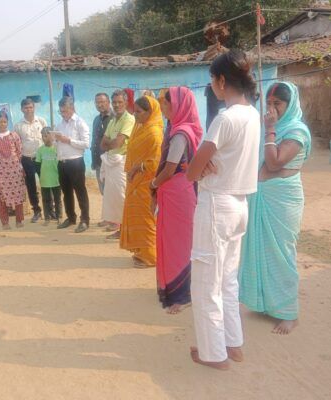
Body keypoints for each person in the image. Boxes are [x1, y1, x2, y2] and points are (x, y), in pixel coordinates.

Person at [186, 49, 261, 370]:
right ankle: (232, 344)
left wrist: (200, 168)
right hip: (239, 204)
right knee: (227, 281)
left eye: (212, 81)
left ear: (220, 81)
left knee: (206, 284)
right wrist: (204, 166)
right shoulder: (252, 114)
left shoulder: (225, 118)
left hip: (217, 205)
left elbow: (192, 171)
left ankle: (214, 353)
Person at [239, 82, 311, 335]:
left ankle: (289, 313)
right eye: (268, 104)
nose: (271, 109)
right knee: (261, 251)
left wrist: (269, 129)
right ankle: (267, 304)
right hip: (261, 197)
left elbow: (273, 162)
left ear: (289, 105)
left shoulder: (296, 131)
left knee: (282, 254)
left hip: (282, 200)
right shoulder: (271, 129)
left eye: (277, 104)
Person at [151, 87, 202, 313]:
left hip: (178, 194)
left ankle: (183, 294)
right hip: (178, 191)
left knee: (179, 245)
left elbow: (170, 169)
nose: (163, 107)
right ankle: (176, 289)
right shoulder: (177, 129)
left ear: (178, 106)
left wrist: (153, 184)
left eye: (166, 103)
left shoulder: (181, 133)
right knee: (174, 242)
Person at [120, 96, 163, 267]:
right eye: (135, 111)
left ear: (150, 112)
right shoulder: (140, 129)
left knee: (147, 219)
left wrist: (138, 167)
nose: (135, 115)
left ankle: (151, 256)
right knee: (137, 217)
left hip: (146, 183)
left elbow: (157, 161)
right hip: (135, 180)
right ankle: (140, 251)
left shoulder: (154, 133)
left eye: (139, 112)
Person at [100, 90, 136, 239]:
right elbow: (102, 144)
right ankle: (120, 228)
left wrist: (111, 143)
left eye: (120, 102)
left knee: (122, 197)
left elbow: (118, 143)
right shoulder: (113, 120)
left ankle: (126, 230)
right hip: (112, 162)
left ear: (126, 103)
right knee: (113, 198)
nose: (117, 105)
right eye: (114, 102)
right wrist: (111, 143)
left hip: (122, 162)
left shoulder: (129, 119)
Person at [53, 96, 90, 233]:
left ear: (72, 108)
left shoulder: (80, 123)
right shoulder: (59, 125)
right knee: (66, 192)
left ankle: (85, 220)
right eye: (61, 111)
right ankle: (71, 217)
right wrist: (54, 139)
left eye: (65, 111)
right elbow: (57, 143)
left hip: (76, 162)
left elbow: (86, 144)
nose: (63, 114)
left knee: (80, 192)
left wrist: (68, 140)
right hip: (62, 162)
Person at [0, 111, 26, 230]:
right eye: (0, 122)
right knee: (0, 196)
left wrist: (15, 164)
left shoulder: (14, 135)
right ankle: (5, 222)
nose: (2, 124)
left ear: (7, 122)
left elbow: (19, 151)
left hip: (15, 171)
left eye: (4, 122)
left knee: (18, 194)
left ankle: (19, 220)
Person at [14, 98, 47, 223]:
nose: (28, 110)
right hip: (27, 160)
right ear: (21, 109)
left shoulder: (42, 121)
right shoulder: (18, 126)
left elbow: (48, 138)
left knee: (46, 183)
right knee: (31, 186)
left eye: (30, 107)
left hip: (42, 159)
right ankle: (36, 211)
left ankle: (49, 210)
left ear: (34, 108)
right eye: (26, 108)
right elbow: (16, 145)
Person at [36, 127, 62, 226]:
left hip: (56, 179)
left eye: (46, 135)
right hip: (45, 180)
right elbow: (38, 165)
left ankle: (59, 217)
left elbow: (60, 164)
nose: (44, 138)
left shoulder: (57, 149)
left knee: (57, 199)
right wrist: (41, 176)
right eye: (43, 136)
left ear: (52, 136)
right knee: (46, 199)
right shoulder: (40, 150)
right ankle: (47, 217)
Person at [91, 93, 113, 196]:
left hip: (110, 164)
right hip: (98, 163)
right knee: (103, 193)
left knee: (112, 194)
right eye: (97, 102)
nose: (100, 105)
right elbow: (95, 140)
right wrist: (94, 161)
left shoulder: (115, 118)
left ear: (108, 102)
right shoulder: (96, 119)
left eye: (102, 102)